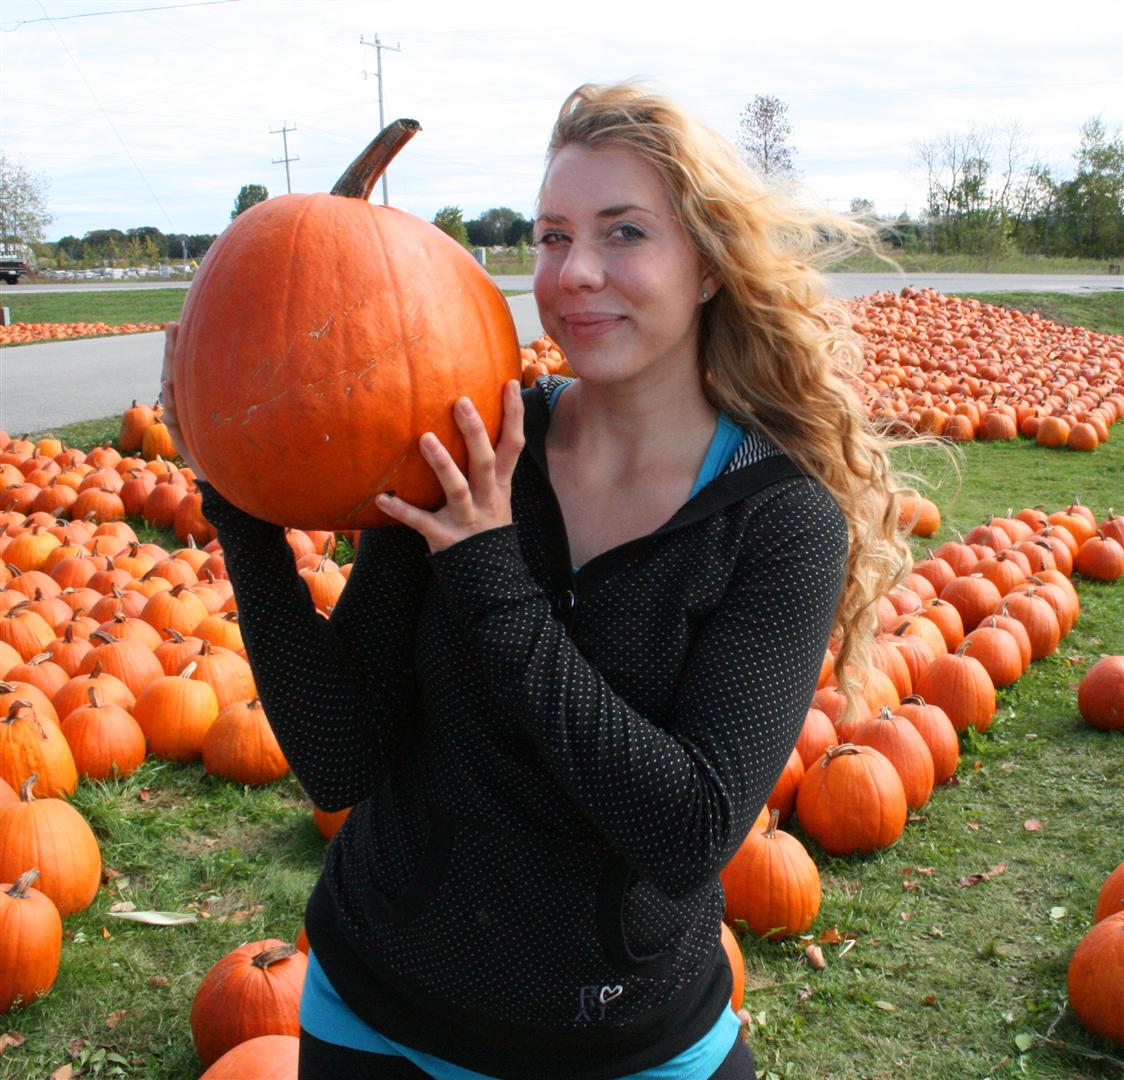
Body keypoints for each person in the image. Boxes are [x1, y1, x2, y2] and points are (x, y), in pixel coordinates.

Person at [161, 82, 910, 1079]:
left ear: (706, 268)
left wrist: (486, 572)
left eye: (623, 232)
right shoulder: (472, 439)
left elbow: (686, 828)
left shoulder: (773, 519)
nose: (576, 273)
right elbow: (342, 757)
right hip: (374, 1014)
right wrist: (237, 503)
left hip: (623, 1042)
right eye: (553, 236)